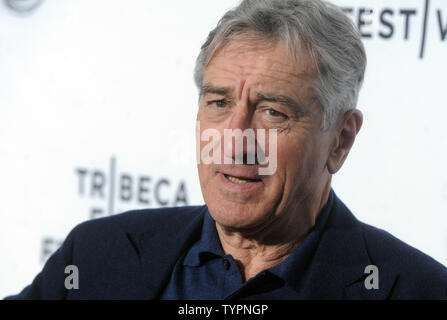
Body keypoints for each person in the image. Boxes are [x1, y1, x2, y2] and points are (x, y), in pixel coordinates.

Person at [6, 0, 447, 300]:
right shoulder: (96, 256)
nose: (234, 138)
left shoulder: (417, 289)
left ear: (341, 140)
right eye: (219, 103)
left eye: (273, 112)